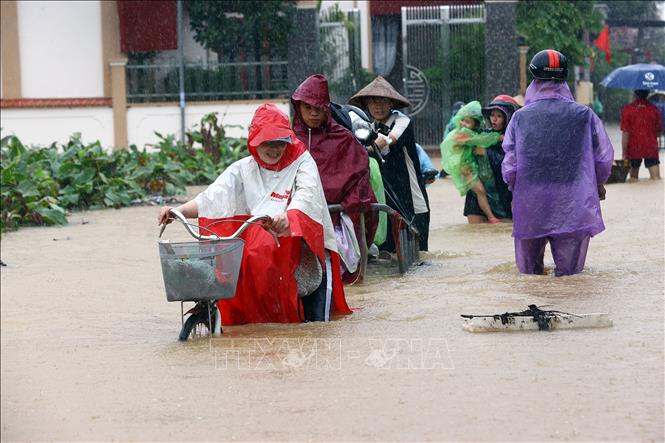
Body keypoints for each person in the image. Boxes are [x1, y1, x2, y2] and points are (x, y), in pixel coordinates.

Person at [157, 104, 352, 324]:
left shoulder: (302, 162)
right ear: (254, 141)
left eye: (279, 143)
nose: (274, 149)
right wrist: (177, 211)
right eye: (267, 142)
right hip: (260, 256)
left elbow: (306, 196)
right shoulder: (243, 169)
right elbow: (211, 198)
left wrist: (289, 216)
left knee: (317, 328)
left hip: (304, 251)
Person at [501, 49, 614, 276]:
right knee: (570, 277)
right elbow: (602, 157)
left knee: (530, 276)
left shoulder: (520, 118)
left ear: (535, 80)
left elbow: (511, 165)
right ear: (564, 80)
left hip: (531, 201)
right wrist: (598, 183)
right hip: (572, 201)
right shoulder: (584, 115)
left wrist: (514, 189)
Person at [291, 74, 378, 279]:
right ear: (298, 108)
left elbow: (360, 179)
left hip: (339, 218)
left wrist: (347, 207)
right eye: (308, 108)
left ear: (326, 110)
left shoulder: (344, 138)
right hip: (299, 216)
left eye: (318, 109)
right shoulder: (289, 140)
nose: (313, 114)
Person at [349, 76, 431, 251]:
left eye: (383, 102)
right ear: (366, 105)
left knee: (418, 253)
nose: (378, 106)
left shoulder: (402, 121)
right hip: (385, 196)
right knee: (387, 252)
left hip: (411, 196)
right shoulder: (367, 127)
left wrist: (361, 151)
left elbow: (388, 140)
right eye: (373, 102)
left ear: (391, 104)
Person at [440, 101, 502, 224]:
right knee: (480, 191)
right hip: (464, 168)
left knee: (480, 191)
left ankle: (490, 216)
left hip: (468, 166)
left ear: (475, 125)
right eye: (463, 120)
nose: (463, 123)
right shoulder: (462, 135)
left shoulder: (465, 133)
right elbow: (480, 139)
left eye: (468, 122)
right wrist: (498, 137)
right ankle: (491, 217)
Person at [463, 95, 519, 223]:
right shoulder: (483, 136)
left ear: (507, 118)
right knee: (475, 234)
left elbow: (510, 166)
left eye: (499, 116)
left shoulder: (513, 139)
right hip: (477, 199)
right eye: (492, 115)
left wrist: (486, 153)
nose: (494, 119)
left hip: (502, 196)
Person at [621, 90, 663, 180]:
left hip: (634, 148)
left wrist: (624, 152)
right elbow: (659, 132)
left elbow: (625, 133)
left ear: (635, 94)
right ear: (648, 94)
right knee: (656, 179)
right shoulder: (654, 109)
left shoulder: (628, 109)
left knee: (633, 180)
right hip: (650, 146)